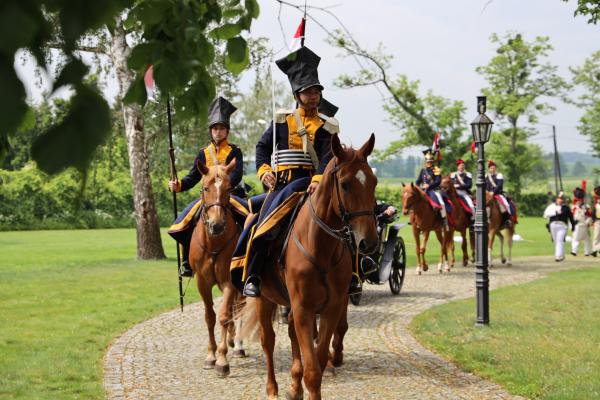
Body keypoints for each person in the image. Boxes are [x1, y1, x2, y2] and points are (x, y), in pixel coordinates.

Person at [230, 46, 340, 298]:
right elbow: (261, 147)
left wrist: (317, 178)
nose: (313, 97)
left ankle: (354, 274)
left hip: (316, 185)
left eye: (316, 91)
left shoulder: (328, 125)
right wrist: (264, 170)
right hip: (282, 186)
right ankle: (253, 275)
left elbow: (328, 155)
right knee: (259, 226)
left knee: (345, 222)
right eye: (308, 92)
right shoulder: (282, 120)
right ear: (297, 95)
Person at [167, 96, 247, 277]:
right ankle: (187, 262)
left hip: (231, 195)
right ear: (211, 131)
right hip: (209, 197)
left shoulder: (235, 151)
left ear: (227, 130)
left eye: (222, 128)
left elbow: (237, 174)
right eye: (215, 129)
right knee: (183, 224)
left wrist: (222, 187)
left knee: (249, 219)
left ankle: (247, 258)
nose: (218, 132)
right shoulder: (203, 153)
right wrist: (178, 185)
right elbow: (193, 177)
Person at [415, 149, 450, 228]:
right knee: (415, 203)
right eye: (428, 161)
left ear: (433, 161)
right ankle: (415, 220)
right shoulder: (423, 170)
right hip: (423, 191)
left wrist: (429, 186)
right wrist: (419, 187)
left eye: (430, 161)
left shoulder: (436, 169)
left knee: (442, 203)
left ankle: (444, 221)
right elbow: (417, 181)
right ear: (425, 162)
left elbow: (438, 181)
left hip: (434, 190)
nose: (429, 163)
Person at [543, 193, 575, 262]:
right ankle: (562, 255)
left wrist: (573, 226)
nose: (560, 200)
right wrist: (555, 212)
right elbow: (545, 215)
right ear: (556, 199)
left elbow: (571, 217)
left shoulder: (566, 207)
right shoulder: (551, 206)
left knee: (560, 240)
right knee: (556, 241)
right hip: (553, 225)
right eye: (559, 198)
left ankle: (557, 256)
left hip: (562, 226)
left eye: (561, 199)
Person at [486, 160, 515, 227]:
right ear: (489, 169)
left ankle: (507, 220)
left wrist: (493, 192)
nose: (492, 169)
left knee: (505, 205)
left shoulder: (499, 175)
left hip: (497, 194)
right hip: (488, 194)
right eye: (491, 168)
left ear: (495, 168)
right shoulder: (486, 176)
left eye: (493, 168)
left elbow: (499, 186)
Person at [571, 186, 592, 257]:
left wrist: (587, 222)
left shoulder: (585, 207)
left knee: (585, 239)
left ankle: (585, 252)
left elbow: (590, 215)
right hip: (579, 224)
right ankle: (576, 251)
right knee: (578, 239)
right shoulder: (575, 207)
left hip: (583, 225)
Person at [592, 186, 600, 257]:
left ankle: (596, 249)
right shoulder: (596, 204)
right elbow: (593, 213)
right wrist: (593, 221)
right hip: (597, 221)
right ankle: (594, 250)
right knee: (596, 236)